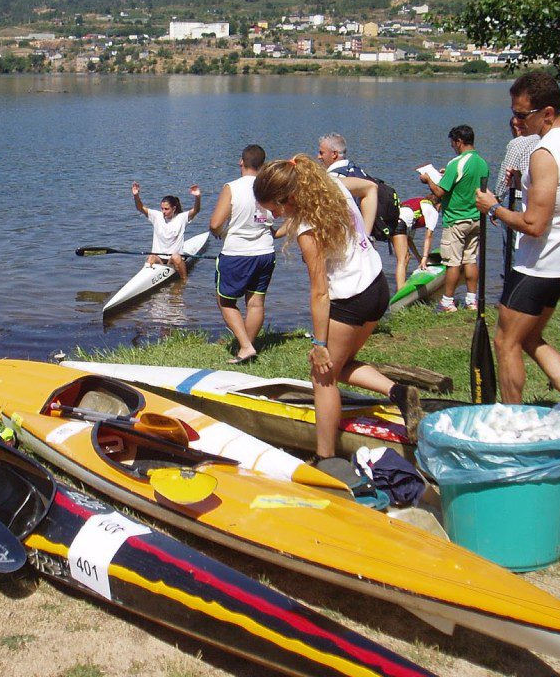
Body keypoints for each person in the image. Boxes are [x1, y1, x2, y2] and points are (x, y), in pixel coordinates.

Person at [253, 154, 423, 454]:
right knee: (340, 366)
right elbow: (371, 188)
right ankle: (399, 392)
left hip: (351, 299)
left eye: (276, 209)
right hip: (376, 285)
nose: (277, 216)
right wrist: (365, 235)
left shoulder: (307, 228)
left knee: (323, 376)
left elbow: (320, 292)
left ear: (289, 197)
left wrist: (318, 342)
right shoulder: (330, 184)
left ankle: (326, 457)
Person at [474, 71, 560, 431]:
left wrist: (493, 207)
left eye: (522, 114)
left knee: (506, 341)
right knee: (530, 338)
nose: (516, 121)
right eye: (513, 113)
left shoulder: (545, 153)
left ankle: (513, 421)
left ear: (546, 113)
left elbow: (534, 224)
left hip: (540, 264)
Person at [209, 144, 275, 364]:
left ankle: (245, 346)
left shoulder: (232, 187)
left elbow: (215, 223)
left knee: (225, 302)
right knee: (255, 304)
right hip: (265, 252)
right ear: (263, 165)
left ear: (241, 162)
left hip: (237, 254)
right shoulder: (269, 187)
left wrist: (220, 231)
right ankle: (247, 345)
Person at [318, 132, 406, 283]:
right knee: (368, 278)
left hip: (349, 242)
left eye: (321, 153)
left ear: (334, 154)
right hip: (366, 238)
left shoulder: (334, 179)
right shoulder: (357, 170)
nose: (319, 157)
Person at [420, 125, 489, 312]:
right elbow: (469, 184)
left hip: (456, 220)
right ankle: (472, 300)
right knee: (470, 260)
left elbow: (440, 192)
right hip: (476, 218)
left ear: (459, 141)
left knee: (452, 262)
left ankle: (447, 302)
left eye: (453, 143)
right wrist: (445, 175)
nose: (452, 147)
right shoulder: (482, 163)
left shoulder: (456, 163)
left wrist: (428, 180)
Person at [131, 182, 202, 282]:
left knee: (176, 256)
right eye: (162, 209)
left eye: (166, 209)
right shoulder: (156, 216)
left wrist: (198, 197)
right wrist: (136, 195)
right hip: (159, 260)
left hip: (173, 260)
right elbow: (140, 208)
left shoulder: (181, 218)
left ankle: (184, 281)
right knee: (151, 257)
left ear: (174, 208)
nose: (163, 211)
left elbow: (196, 210)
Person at [494, 116, 540, 203]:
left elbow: (505, 173)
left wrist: (497, 198)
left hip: (518, 197)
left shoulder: (516, 143)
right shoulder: (541, 139)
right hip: (536, 197)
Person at [397, 193, 441, 278]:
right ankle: (401, 287)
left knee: (403, 257)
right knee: (405, 257)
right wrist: (425, 258)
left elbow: (409, 240)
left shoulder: (419, 206)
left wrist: (419, 258)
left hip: (391, 222)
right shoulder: (432, 210)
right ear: (438, 204)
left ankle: (401, 283)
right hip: (401, 224)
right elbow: (428, 236)